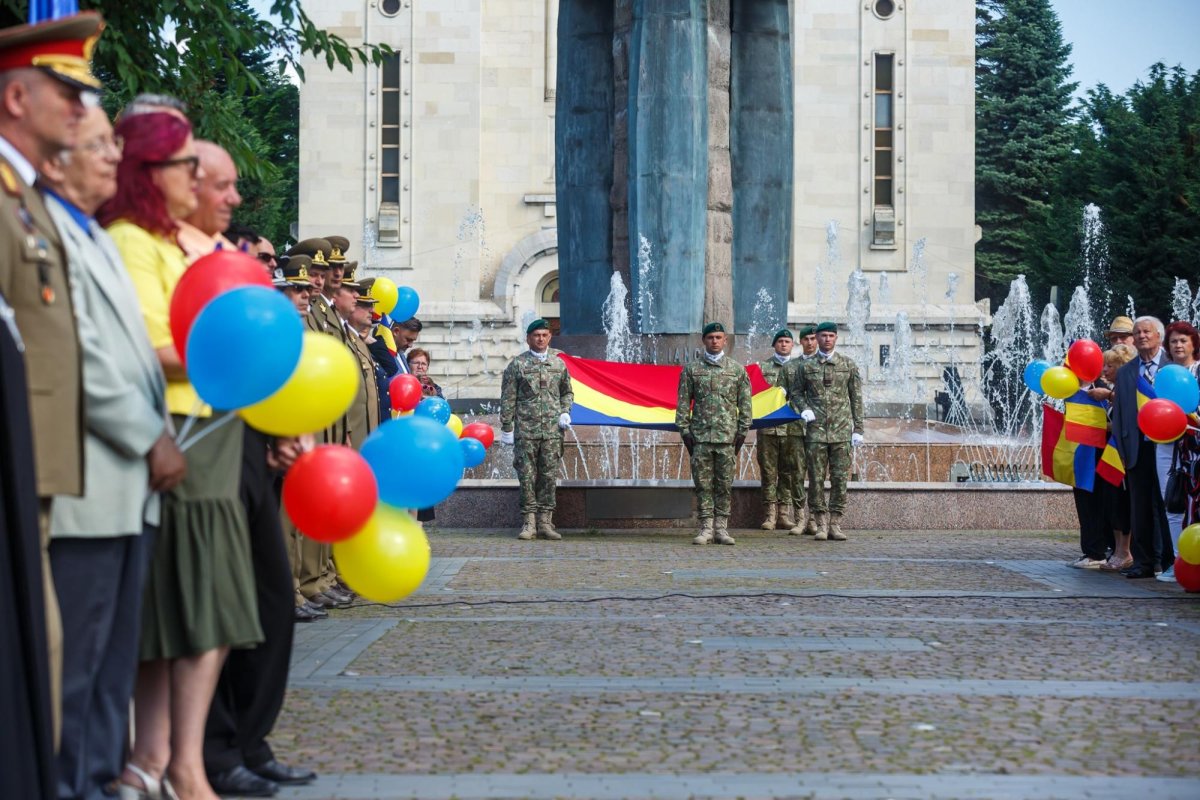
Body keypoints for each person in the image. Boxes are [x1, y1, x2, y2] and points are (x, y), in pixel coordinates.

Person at [100, 109, 263, 800]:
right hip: (179, 430)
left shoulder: (176, 245)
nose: (200, 184)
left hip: (211, 429)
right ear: (151, 173)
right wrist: (235, 354)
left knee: (201, 610)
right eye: (185, 169)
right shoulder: (134, 241)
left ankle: (168, 756)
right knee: (190, 608)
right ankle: (177, 764)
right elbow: (147, 347)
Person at [41, 102, 188, 800]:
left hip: (129, 490)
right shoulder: (61, 234)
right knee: (77, 669)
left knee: (109, 667)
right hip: (93, 482)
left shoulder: (91, 236)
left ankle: (99, 782)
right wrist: (150, 436)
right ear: (54, 157)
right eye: (97, 145)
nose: (110, 156)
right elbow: (82, 360)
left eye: (113, 147)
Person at [0, 9, 102, 758]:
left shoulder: (30, 201)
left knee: (46, 654)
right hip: (18, 460)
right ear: (14, 100)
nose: (80, 108)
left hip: (41, 466)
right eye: (64, 93)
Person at [676, 322, 752, 546]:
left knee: (724, 484)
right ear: (704, 340)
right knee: (703, 484)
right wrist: (685, 431)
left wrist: (742, 432)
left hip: (727, 438)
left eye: (719, 337)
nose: (715, 341)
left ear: (725, 340)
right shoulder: (692, 370)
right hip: (701, 437)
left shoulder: (737, 370)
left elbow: (745, 405)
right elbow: (682, 405)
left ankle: (721, 528)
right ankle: (706, 527)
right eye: (710, 337)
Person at [1110, 316, 1175, 579]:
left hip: (1167, 447)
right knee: (1139, 508)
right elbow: (1121, 414)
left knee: (1167, 506)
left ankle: (1170, 560)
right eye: (1137, 333)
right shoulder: (1127, 371)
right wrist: (1123, 450)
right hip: (1136, 448)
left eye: (1147, 332)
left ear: (1159, 336)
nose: (1141, 336)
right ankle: (1143, 562)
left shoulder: (1173, 368)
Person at [500, 319, 574, 540]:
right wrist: (506, 427)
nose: (540, 339)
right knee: (527, 477)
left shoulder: (559, 365)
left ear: (549, 337)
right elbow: (508, 398)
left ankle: (546, 522)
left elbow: (567, 392)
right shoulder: (517, 365)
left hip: (552, 431)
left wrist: (565, 411)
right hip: (526, 431)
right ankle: (529, 522)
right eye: (536, 335)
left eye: (544, 335)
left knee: (549, 476)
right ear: (528, 339)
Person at [793, 321, 864, 541]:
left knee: (840, 479)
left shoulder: (848, 365)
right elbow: (795, 393)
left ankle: (835, 523)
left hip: (842, 432)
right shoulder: (806, 367)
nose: (826, 340)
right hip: (816, 432)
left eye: (830, 336)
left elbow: (856, 399)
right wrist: (804, 409)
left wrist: (858, 428)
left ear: (836, 338)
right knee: (815, 479)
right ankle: (820, 523)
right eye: (822, 336)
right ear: (817, 338)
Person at [1156, 321, 1200, 583]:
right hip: (1172, 449)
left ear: (1194, 344)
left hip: (1196, 448)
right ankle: (1178, 561)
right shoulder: (1165, 374)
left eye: (1183, 340)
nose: (1178, 345)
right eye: (1173, 341)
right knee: (1173, 503)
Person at [1093, 344, 1136, 572]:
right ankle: (1119, 550)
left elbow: (1127, 423)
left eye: (1110, 365)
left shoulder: (1126, 392)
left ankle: (1125, 551)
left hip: (1123, 458)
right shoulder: (1115, 392)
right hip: (1112, 458)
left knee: (1121, 504)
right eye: (1104, 365)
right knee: (1112, 503)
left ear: (1122, 367)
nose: (1105, 370)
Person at [756, 329, 799, 531]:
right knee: (768, 472)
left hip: (792, 429)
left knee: (788, 472)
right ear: (774, 345)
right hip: (768, 429)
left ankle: (784, 513)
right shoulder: (762, 368)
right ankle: (769, 515)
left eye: (787, 341)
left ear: (792, 345)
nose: (783, 344)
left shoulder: (800, 368)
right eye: (780, 341)